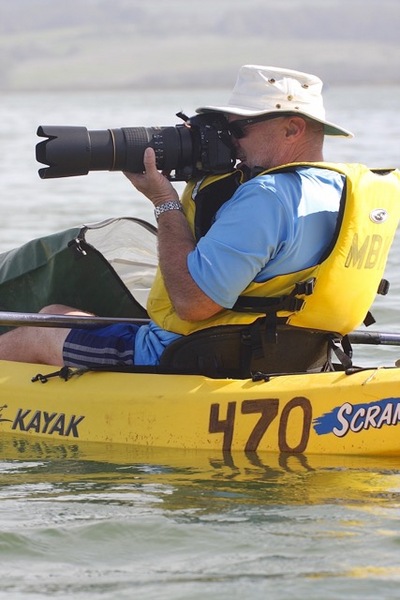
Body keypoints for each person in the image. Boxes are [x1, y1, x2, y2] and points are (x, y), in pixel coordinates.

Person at [0, 64, 399, 370]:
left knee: (40, 332)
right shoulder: (347, 190)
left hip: (202, 355)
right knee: (56, 316)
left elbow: (192, 305)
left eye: (237, 129)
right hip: (298, 355)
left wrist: (163, 200)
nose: (229, 140)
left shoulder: (268, 196)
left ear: (292, 128)